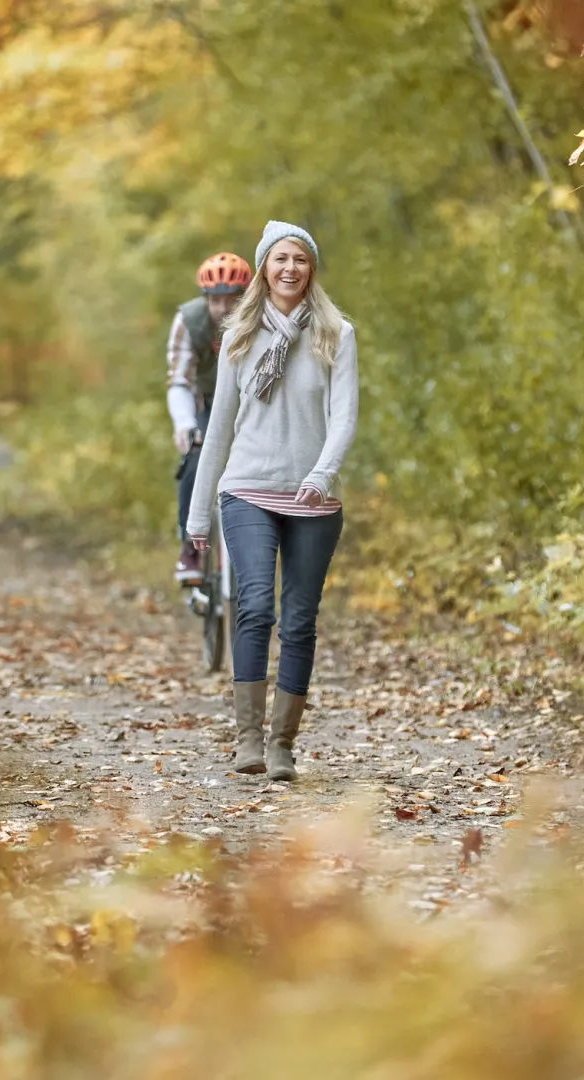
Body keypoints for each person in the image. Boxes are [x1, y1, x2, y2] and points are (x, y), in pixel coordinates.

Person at [187, 222, 357, 782]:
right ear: (264, 267)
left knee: (300, 621)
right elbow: (219, 429)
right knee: (256, 605)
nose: (291, 269)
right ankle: (249, 741)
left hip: (314, 497)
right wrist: (198, 514)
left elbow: (343, 418)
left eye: (301, 260)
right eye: (281, 259)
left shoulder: (336, 332)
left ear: (312, 269)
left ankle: (283, 743)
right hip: (247, 490)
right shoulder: (239, 334)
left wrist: (323, 473)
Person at [168, 252, 253, 584]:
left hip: (251, 403)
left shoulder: (263, 316)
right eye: (215, 301)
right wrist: (185, 424)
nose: (223, 309)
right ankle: (189, 547)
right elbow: (179, 379)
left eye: (231, 300)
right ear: (205, 298)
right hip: (207, 402)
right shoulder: (188, 321)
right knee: (196, 455)